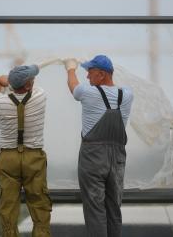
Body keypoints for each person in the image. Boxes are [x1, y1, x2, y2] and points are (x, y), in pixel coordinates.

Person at [63, 55, 134, 237]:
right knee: (114, 210)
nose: (87, 77)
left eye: (90, 72)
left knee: (95, 211)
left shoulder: (88, 93)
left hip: (92, 159)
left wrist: (70, 68)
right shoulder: (126, 95)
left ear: (102, 74)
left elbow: (74, 87)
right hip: (117, 160)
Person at [0, 64, 52, 237]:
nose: (34, 80)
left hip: (8, 157)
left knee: (8, 207)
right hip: (34, 157)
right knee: (39, 205)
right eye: (32, 78)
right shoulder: (40, 96)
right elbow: (23, 88)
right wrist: (9, 82)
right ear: (29, 85)